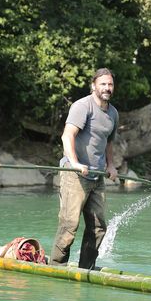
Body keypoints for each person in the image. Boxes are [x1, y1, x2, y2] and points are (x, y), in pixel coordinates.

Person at [50, 68, 119, 270]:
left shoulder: (113, 113)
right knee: (69, 225)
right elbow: (67, 136)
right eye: (103, 84)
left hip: (97, 177)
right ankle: (56, 267)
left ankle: (86, 268)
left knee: (98, 227)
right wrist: (75, 162)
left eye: (110, 84)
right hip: (75, 174)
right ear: (94, 86)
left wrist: (111, 165)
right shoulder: (83, 106)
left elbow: (108, 142)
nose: (107, 88)